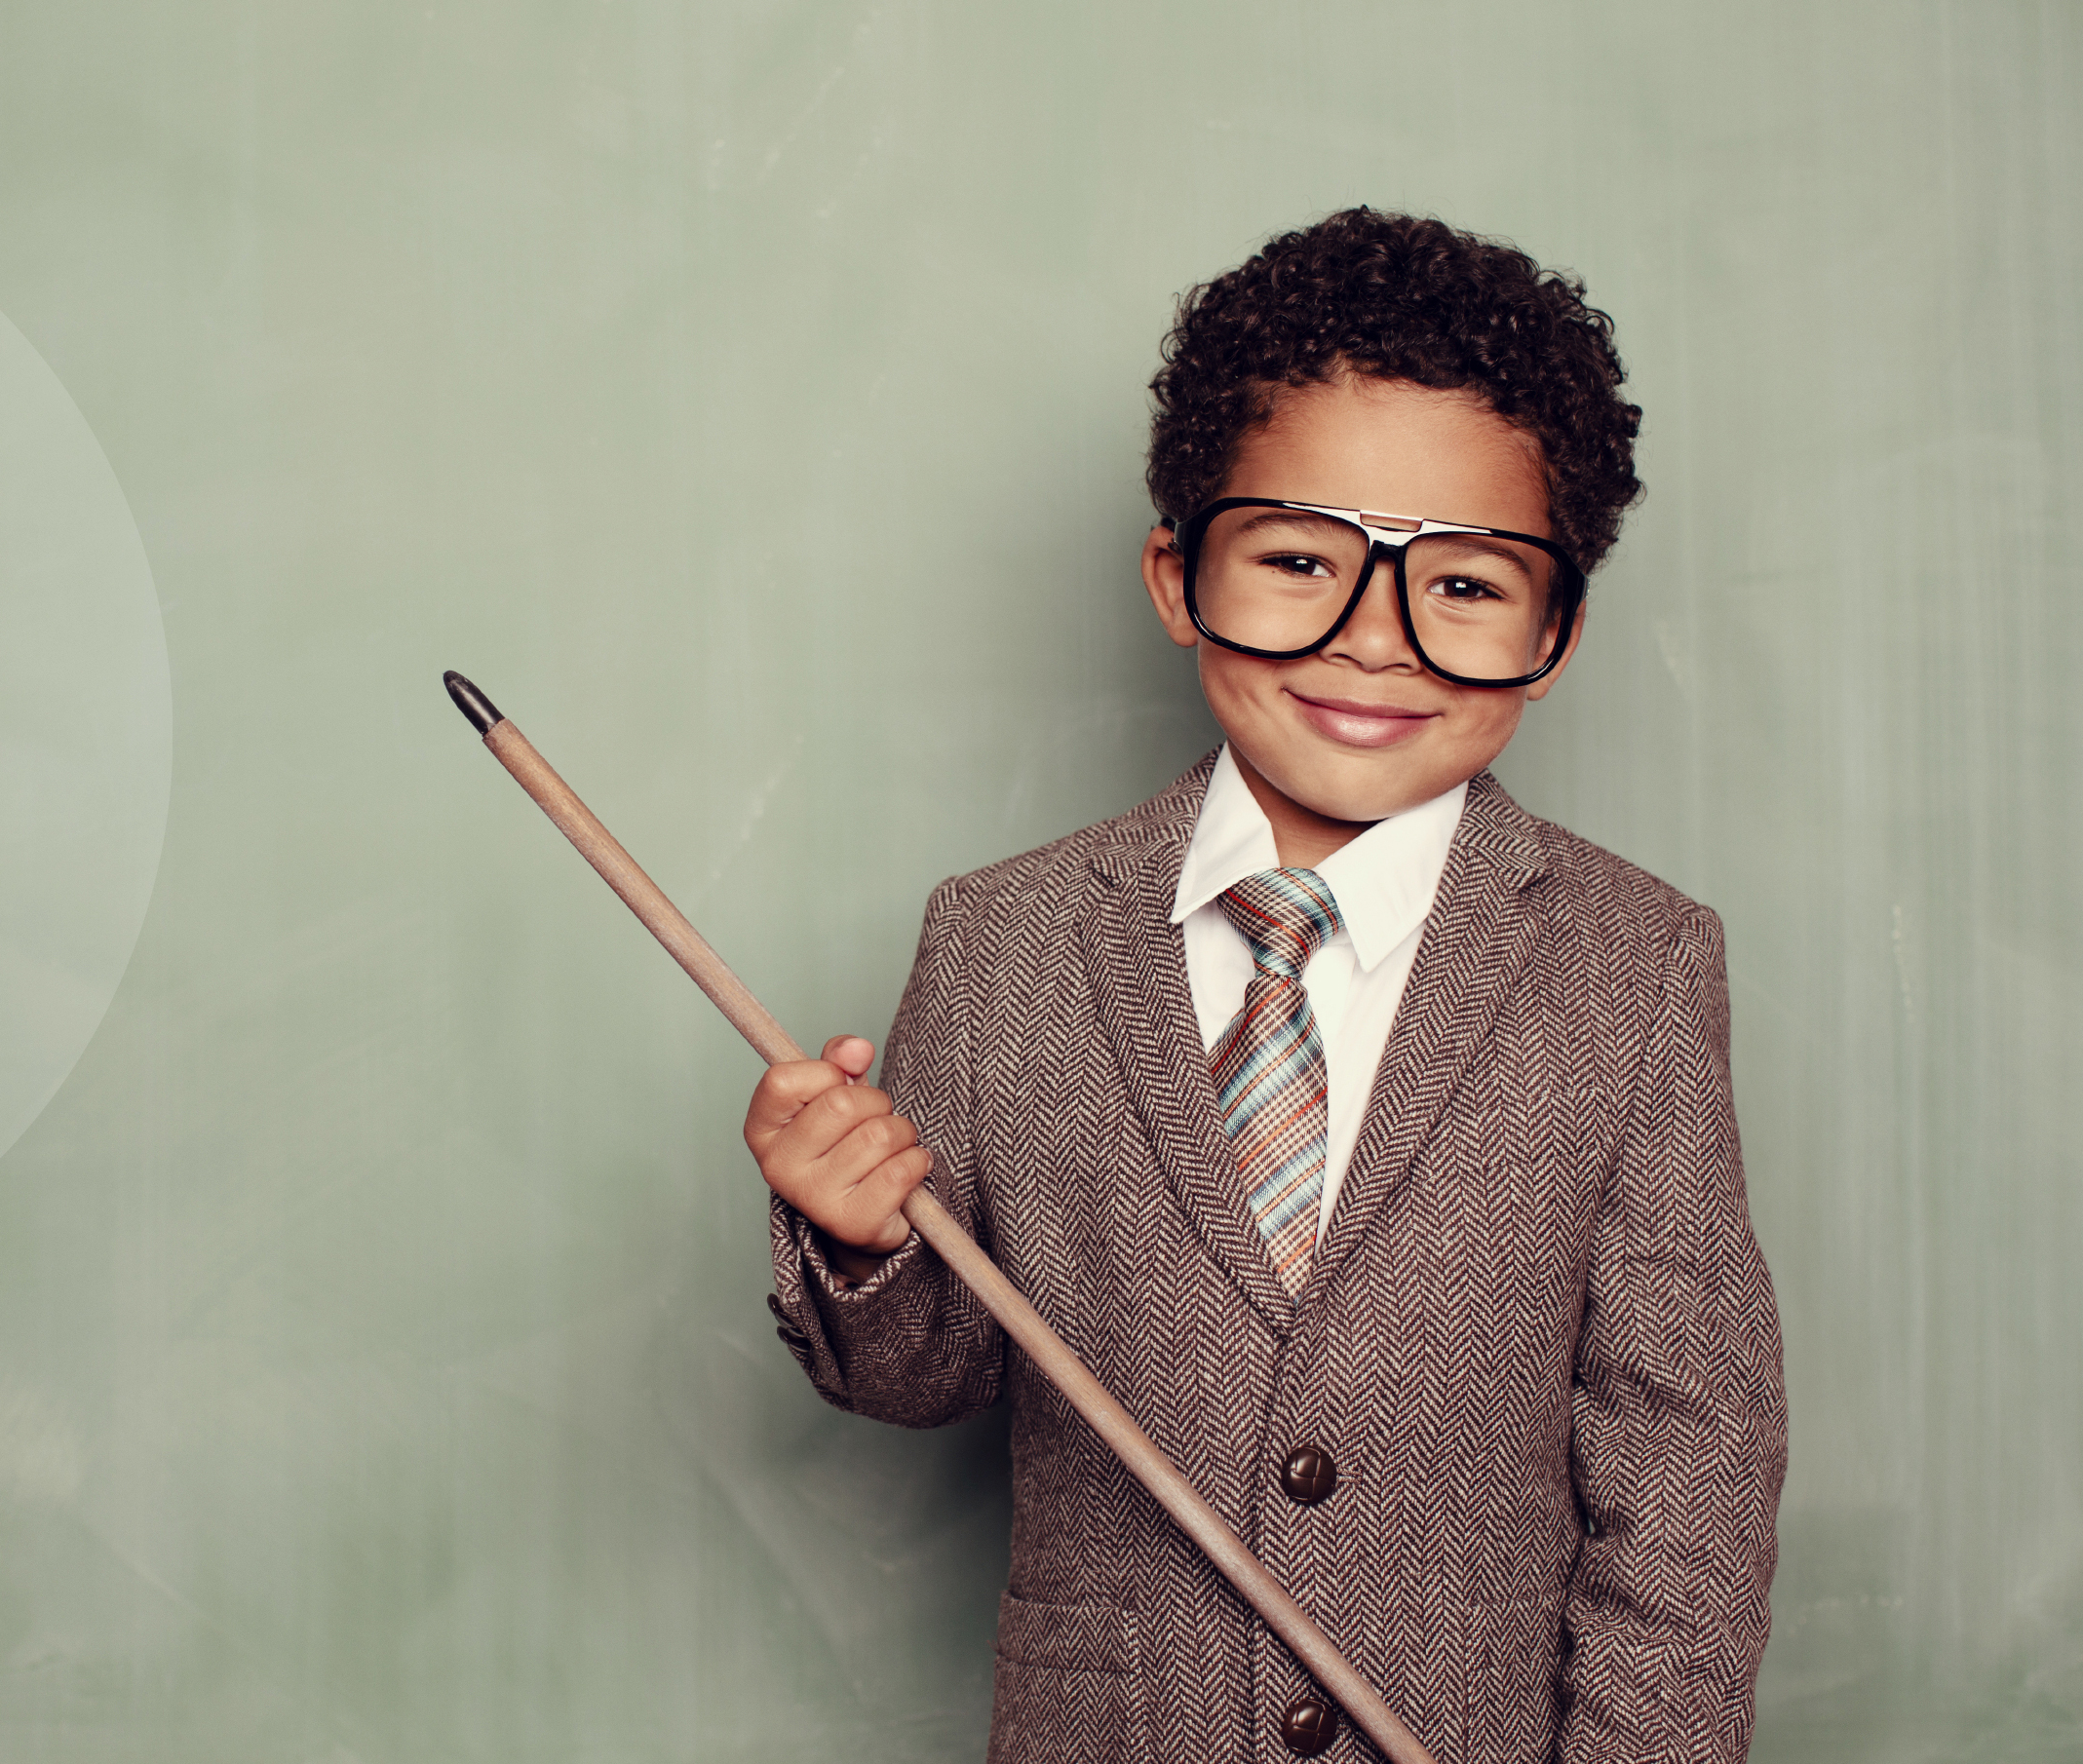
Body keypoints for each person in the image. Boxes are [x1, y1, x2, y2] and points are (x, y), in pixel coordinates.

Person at [745, 209, 1786, 1763]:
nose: (1375, 641)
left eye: (1468, 585)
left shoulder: (1634, 963)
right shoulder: (1002, 938)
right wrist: (861, 1236)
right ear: (1179, 573)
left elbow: (1688, 1461)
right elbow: (932, 1372)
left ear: (1557, 630)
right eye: (1301, 560)